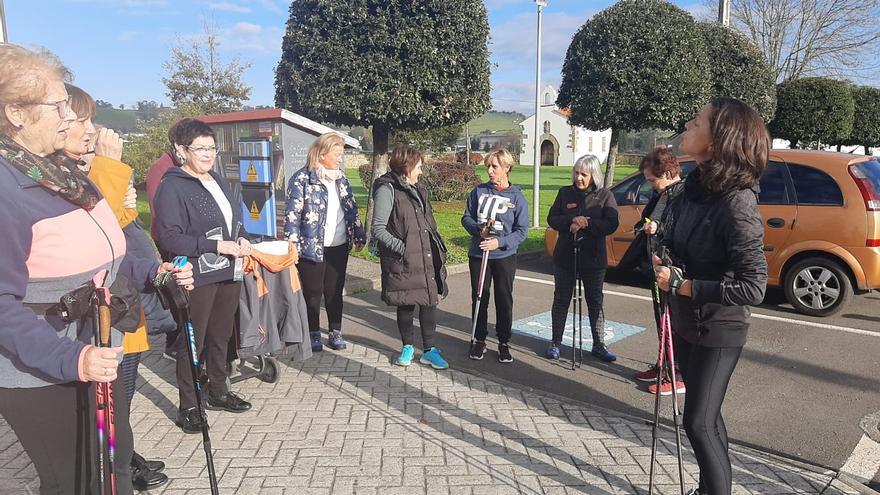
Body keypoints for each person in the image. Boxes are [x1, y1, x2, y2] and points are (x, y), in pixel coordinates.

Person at [0, 44, 193, 495]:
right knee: (77, 481)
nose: (68, 115)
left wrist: (153, 273)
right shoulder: (7, 189)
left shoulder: (63, 173)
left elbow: (111, 253)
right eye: (57, 104)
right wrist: (74, 359)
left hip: (100, 349)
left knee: (116, 464)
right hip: (45, 369)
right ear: (15, 113)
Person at [654, 97, 769, 495]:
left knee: (697, 422)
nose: (688, 123)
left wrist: (684, 286)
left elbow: (753, 286)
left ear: (718, 140)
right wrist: (663, 258)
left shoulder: (737, 202)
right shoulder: (692, 187)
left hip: (719, 327)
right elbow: (676, 241)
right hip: (687, 320)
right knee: (708, 418)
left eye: (697, 121)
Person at [63, 83, 169, 491]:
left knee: (120, 402)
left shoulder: (84, 172)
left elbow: (121, 230)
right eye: (81, 119)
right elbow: (96, 238)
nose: (93, 130)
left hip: (123, 305)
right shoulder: (55, 179)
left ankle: (125, 457)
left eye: (93, 119)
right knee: (106, 409)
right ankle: (117, 462)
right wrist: (107, 169)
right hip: (94, 320)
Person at [153, 118, 254, 433]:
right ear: (181, 150)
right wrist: (215, 245)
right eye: (201, 149)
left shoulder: (218, 180)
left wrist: (243, 237)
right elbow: (169, 237)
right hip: (196, 275)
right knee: (191, 341)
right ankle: (190, 405)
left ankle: (219, 391)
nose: (209, 154)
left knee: (221, 335)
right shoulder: (171, 186)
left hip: (228, 270)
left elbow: (232, 219)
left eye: (212, 148)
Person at [283, 132, 365, 352]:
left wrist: (358, 233)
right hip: (311, 247)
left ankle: (336, 331)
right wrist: (291, 242)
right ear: (321, 154)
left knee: (334, 290)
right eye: (337, 154)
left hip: (338, 245)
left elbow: (352, 209)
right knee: (313, 292)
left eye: (341, 155)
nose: (340, 159)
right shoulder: (302, 179)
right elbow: (292, 214)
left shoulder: (342, 179)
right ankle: (313, 332)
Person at [371, 145, 449, 369]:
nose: (421, 171)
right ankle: (407, 347)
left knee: (429, 301)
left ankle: (429, 350)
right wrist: (402, 248)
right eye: (419, 167)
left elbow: (428, 222)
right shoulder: (387, 189)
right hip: (404, 258)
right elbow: (378, 228)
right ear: (407, 167)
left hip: (425, 253)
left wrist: (436, 247)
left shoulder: (419, 188)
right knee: (406, 302)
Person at [545, 154, 619, 362]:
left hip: (593, 259)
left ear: (593, 175)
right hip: (565, 257)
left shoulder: (605, 195)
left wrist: (588, 224)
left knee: (595, 301)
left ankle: (599, 344)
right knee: (561, 299)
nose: (579, 178)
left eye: (584, 174)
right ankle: (555, 343)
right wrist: (571, 220)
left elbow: (612, 224)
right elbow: (552, 218)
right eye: (576, 173)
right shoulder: (564, 193)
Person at [628, 147, 686, 395]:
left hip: (675, 268)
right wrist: (645, 225)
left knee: (675, 322)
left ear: (669, 172)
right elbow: (652, 219)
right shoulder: (663, 193)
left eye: (653, 179)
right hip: (657, 265)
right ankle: (663, 364)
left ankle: (678, 374)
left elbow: (681, 230)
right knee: (661, 318)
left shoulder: (684, 195)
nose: (651, 184)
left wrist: (657, 229)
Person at [461, 148, 529, 363]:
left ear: (507, 168)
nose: (490, 171)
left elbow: (521, 230)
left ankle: (504, 342)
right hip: (479, 255)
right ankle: (479, 339)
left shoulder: (516, 197)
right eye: (488, 167)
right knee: (480, 296)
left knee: (503, 298)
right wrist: (478, 230)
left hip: (504, 256)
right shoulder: (479, 192)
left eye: (494, 167)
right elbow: (466, 218)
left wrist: (500, 242)